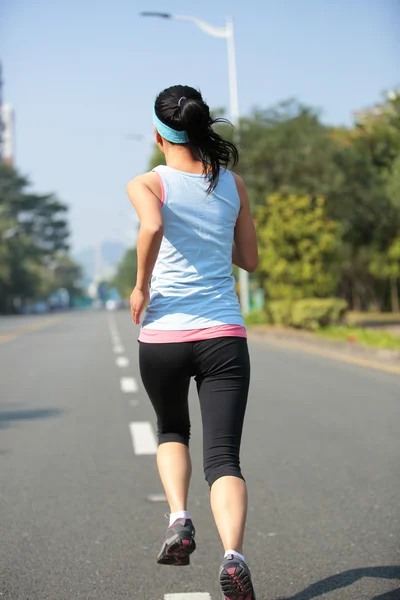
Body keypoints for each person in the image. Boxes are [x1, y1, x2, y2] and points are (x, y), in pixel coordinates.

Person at [126, 84, 258, 600]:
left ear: (160, 135)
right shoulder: (235, 185)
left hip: (162, 335)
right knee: (224, 457)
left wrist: (141, 285)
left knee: (172, 430)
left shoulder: (146, 183)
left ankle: (179, 519)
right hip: (224, 335)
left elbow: (153, 224)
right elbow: (248, 261)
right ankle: (233, 557)